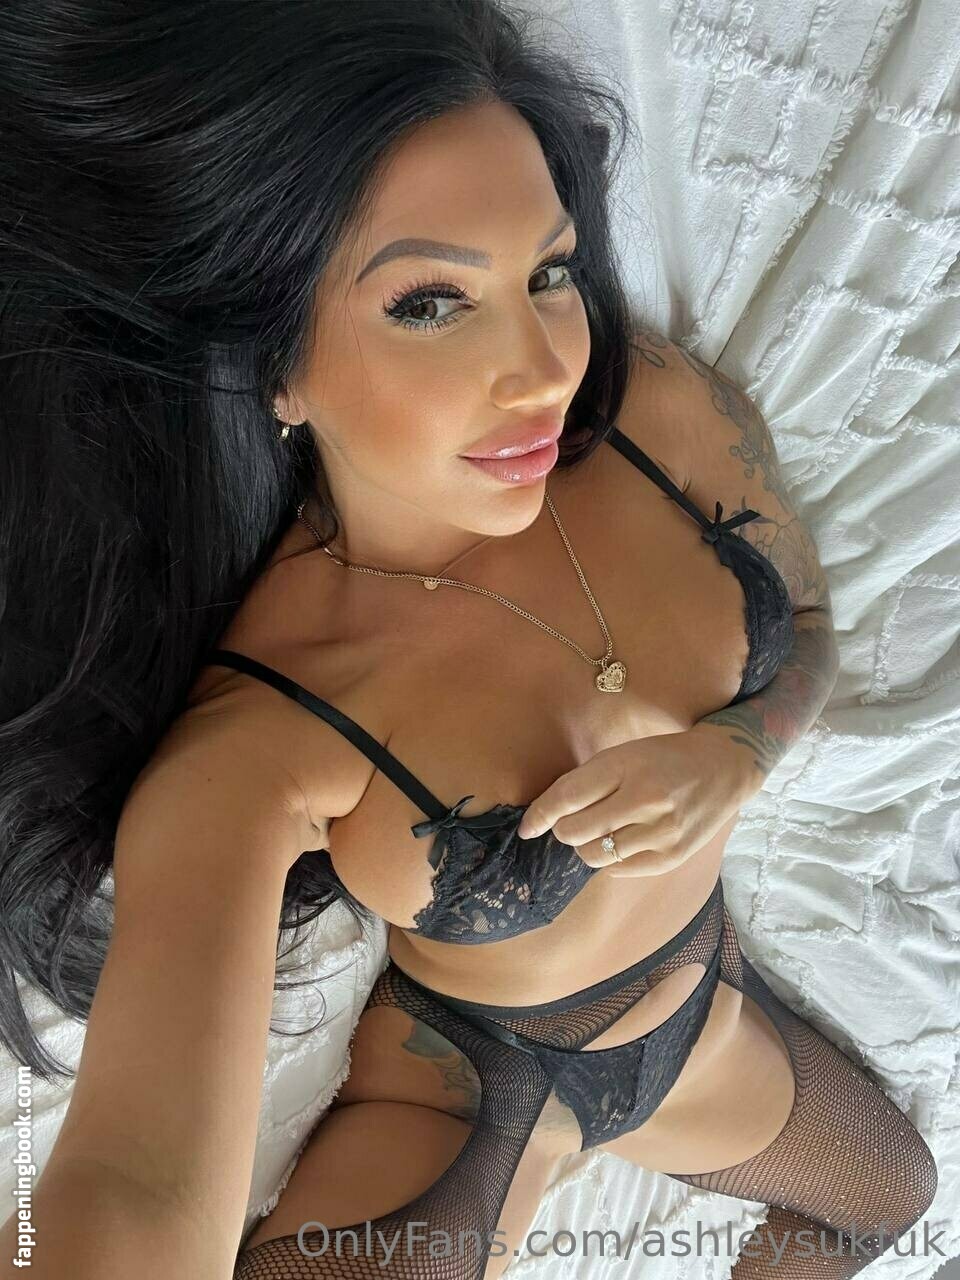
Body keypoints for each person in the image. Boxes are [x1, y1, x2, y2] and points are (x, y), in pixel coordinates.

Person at [0, 2, 938, 1277]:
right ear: (276, 366)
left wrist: (739, 751)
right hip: (464, 1095)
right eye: (433, 302)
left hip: (707, 1017)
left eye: (549, 275)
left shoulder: (655, 414)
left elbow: (810, 626)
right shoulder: (263, 734)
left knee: (890, 1195)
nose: (543, 370)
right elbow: (136, 1183)